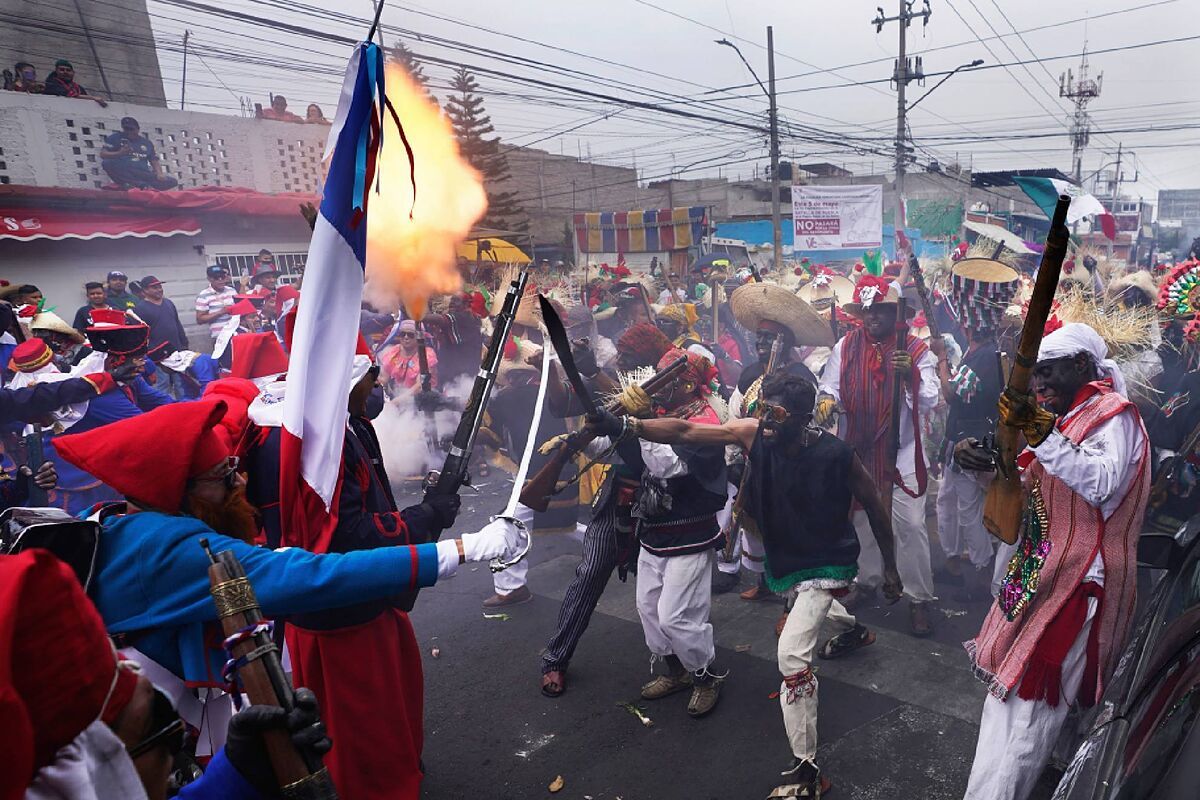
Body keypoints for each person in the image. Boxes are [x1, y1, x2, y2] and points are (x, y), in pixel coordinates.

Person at [54, 394, 526, 797]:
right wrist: (462, 549)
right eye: (224, 474)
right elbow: (315, 576)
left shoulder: (127, 522)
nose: (240, 483)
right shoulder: (165, 547)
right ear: (179, 491)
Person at [620, 371, 902, 795]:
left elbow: (877, 509)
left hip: (827, 562)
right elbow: (686, 430)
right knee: (807, 606)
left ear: (804, 417)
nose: (765, 419)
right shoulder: (755, 435)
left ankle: (807, 772)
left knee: (791, 656)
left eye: (776, 412)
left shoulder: (838, 454)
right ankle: (855, 630)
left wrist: (893, 570)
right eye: (761, 407)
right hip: (787, 559)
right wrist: (631, 425)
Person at [955, 323, 1150, 800]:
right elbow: (1032, 490)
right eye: (1033, 376)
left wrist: (1039, 433)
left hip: (1082, 581)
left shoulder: (1113, 415)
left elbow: (1102, 485)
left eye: (1047, 373)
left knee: (1027, 715)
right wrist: (989, 464)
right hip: (1042, 572)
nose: (1038, 386)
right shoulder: (1063, 415)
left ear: (1082, 365)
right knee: (1007, 700)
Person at [2, 548, 340, 800]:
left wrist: (239, 772)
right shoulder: (171, 548)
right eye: (157, 727)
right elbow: (300, 575)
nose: (172, 761)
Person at [586, 348, 730, 717]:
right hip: (654, 528)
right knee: (648, 608)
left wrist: (642, 420)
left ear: (685, 383)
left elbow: (668, 468)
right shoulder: (660, 411)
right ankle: (677, 670)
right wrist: (598, 422)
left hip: (690, 532)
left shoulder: (706, 419)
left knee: (677, 616)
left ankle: (706, 674)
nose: (657, 386)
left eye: (666, 379)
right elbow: (607, 448)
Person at [539, 322, 675, 697]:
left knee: (671, 596)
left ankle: (685, 667)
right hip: (621, 495)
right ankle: (556, 659)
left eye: (631, 357)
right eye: (622, 357)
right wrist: (557, 367)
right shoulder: (619, 385)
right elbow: (564, 403)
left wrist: (592, 372)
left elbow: (647, 412)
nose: (624, 363)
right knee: (589, 574)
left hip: (668, 502)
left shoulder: (673, 387)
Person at [817, 275, 939, 636]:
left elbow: (932, 398)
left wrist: (910, 377)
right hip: (859, 446)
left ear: (895, 314)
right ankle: (868, 579)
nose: (873, 318)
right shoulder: (845, 345)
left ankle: (917, 597)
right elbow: (830, 385)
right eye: (868, 311)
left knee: (912, 525)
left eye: (881, 311)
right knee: (862, 519)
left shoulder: (917, 350)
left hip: (901, 450)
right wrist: (826, 400)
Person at [722, 281, 826, 598]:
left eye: (769, 338)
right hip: (753, 461)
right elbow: (734, 414)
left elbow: (810, 423)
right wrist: (734, 457)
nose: (762, 344)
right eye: (759, 337)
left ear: (786, 341)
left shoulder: (801, 376)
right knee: (756, 523)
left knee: (786, 527)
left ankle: (793, 599)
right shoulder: (750, 372)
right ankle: (767, 583)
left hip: (788, 465)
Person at [934, 259, 1020, 600]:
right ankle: (955, 561)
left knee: (968, 508)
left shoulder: (983, 355)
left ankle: (985, 571)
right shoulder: (981, 352)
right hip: (965, 443)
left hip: (971, 445)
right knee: (947, 501)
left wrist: (941, 358)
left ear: (967, 324)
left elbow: (953, 394)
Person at [100, 116, 178, 190]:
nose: (129, 132)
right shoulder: (115, 138)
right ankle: (140, 185)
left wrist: (159, 173)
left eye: (131, 129)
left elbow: (154, 160)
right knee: (107, 163)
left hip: (142, 173)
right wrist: (120, 153)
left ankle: (143, 185)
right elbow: (103, 154)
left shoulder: (146, 143)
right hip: (126, 171)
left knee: (172, 181)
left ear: (138, 129)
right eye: (126, 129)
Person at [134, 275, 189, 355]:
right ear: (145, 290)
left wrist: (184, 344)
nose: (159, 290)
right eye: (154, 288)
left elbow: (178, 325)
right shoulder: (140, 309)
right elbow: (140, 336)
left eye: (160, 287)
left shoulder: (169, 303)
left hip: (176, 350)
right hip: (157, 354)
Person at [381, 319, 437, 391]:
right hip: (396, 396)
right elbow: (384, 379)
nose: (406, 337)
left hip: (422, 398)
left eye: (411, 335)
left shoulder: (427, 354)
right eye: (403, 334)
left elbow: (420, 386)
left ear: (419, 337)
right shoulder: (394, 352)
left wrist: (395, 402)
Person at [195, 265, 237, 344]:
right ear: (209, 279)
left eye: (222, 277)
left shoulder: (232, 291)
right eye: (216, 278)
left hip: (236, 334)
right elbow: (200, 320)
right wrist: (220, 312)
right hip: (220, 338)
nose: (220, 280)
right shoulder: (203, 295)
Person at [41, 58, 107, 106]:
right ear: (56, 71)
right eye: (62, 70)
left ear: (73, 73)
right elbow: (68, 94)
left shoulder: (79, 87)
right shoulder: (52, 83)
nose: (65, 72)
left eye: (68, 70)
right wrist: (93, 98)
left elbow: (86, 101)